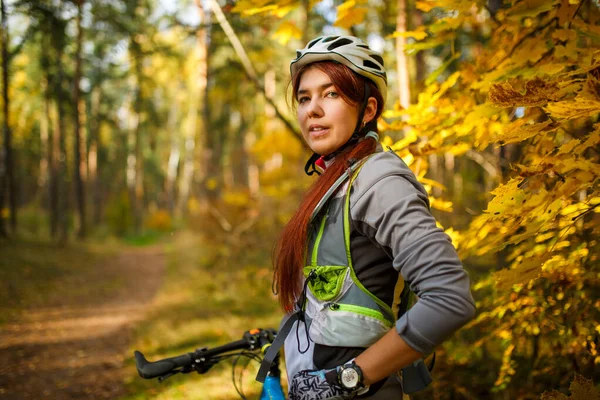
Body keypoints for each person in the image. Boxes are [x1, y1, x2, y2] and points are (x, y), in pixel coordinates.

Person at [258, 35, 476, 399]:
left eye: (330, 94)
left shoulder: (378, 181)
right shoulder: (338, 182)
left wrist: (348, 379)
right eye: (304, 97)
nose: (312, 109)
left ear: (369, 109)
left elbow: (450, 297)